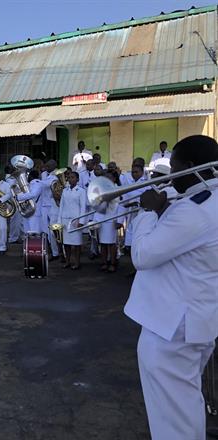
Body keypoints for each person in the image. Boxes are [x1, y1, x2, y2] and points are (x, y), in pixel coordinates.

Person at [124, 135, 218, 440]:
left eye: (175, 167)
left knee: (172, 417)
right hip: (195, 321)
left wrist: (148, 213)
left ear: (190, 167)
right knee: (185, 404)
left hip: (172, 328)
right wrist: (165, 212)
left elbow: (141, 255)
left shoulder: (194, 208)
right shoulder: (206, 202)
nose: (171, 175)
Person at [56, 172, 86, 269]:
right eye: (69, 177)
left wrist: (81, 221)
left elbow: (83, 207)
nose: (70, 179)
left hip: (75, 220)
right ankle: (68, 261)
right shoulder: (65, 190)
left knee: (76, 244)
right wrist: (59, 221)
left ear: (77, 179)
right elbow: (61, 206)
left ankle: (77, 262)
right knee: (66, 243)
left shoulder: (81, 191)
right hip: (65, 220)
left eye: (73, 177)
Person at [40, 160, 60, 261]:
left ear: (54, 166)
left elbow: (45, 184)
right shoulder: (44, 174)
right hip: (44, 205)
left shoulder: (55, 176)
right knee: (45, 231)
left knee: (53, 230)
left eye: (48, 165)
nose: (46, 167)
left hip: (53, 205)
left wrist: (34, 181)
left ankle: (56, 253)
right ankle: (49, 251)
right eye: (46, 165)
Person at [16, 169, 43, 234]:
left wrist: (19, 197)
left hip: (35, 212)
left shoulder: (37, 183)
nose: (26, 177)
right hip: (27, 210)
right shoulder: (30, 184)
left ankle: (34, 244)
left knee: (34, 232)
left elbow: (33, 194)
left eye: (27, 176)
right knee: (27, 232)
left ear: (31, 176)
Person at [5, 165, 23, 243]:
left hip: (17, 200)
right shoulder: (9, 179)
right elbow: (14, 189)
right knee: (15, 220)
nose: (16, 170)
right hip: (13, 201)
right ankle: (13, 238)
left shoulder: (13, 178)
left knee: (19, 220)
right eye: (14, 169)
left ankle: (19, 236)